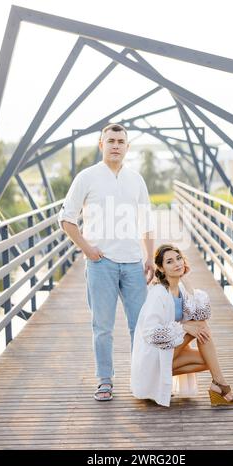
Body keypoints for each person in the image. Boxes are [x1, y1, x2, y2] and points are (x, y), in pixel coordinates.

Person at [58, 123, 155, 401]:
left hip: (134, 263)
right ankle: (104, 380)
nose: (115, 145)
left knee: (140, 325)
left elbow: (147, 221)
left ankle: (142, 379)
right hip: (101, 263)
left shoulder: (136, 179)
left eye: (120, 141)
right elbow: (67, 219)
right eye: (110, 140)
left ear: (127, 146)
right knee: (103, 326)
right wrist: (87, 249)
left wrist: (150, 256)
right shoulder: (86, 177)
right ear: (101, 145)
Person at [131, 244, 233, 407]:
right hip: (153, 357)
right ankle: (221, 386)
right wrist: (183, 327)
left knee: (209, 361)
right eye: (169, 262)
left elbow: (202, 313)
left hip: (169, 354)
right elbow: (150, 334)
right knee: (200, 326)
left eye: (179, 258)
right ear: (161, 269)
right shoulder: (158, 294)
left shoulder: (181, 289)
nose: (177, 264)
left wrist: (187, 282)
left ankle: (217, 382)